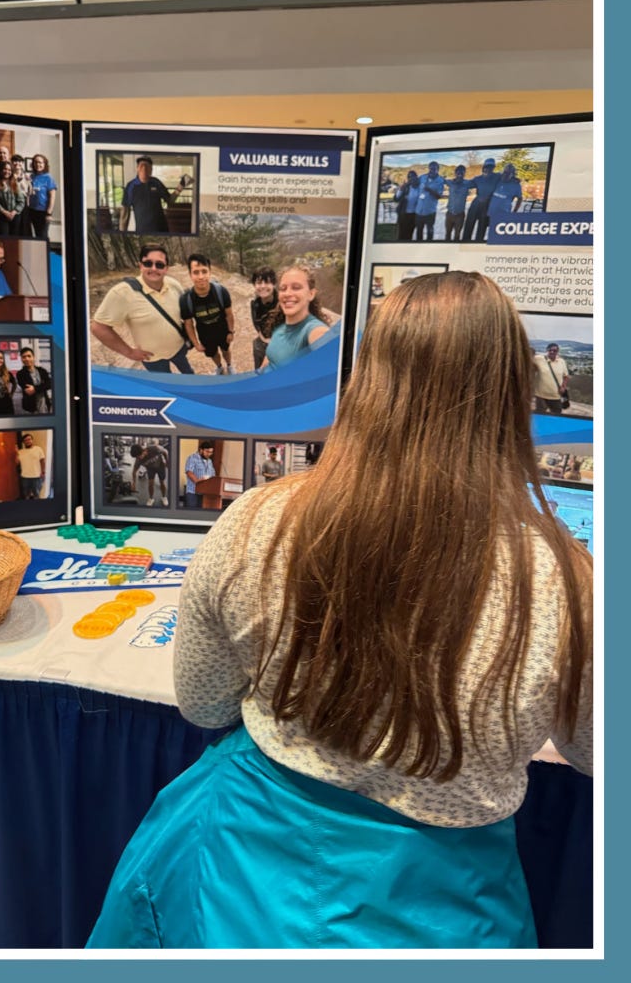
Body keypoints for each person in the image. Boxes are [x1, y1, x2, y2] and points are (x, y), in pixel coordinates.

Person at [88, 271, 592, 948]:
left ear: (368, 378)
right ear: (510, 392)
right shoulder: (566, 581)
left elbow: (204, 704)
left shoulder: (257, 521)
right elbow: (594, 752)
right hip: (445, 908)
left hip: (241, 873)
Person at [91, 245, 193, 374]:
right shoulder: (121, 293)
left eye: (159, 265)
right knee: (165, 385)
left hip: (179, 349)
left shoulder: (174, 284)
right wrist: (129, 352)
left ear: (166, 268)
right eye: (148, 263)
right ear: (140, 265)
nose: (153, 268)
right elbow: (98, 327)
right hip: (152, 358)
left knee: (188, 374)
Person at [261, 265, 330, 370]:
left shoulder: (314, 330)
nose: (287, 293)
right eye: (283, 289)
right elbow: (269, 359)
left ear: (311, 294)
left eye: (296, 287)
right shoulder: (279, 326)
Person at [179, 254, 236, 374]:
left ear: (210, 272)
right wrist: (196, 343)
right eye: (196, 272)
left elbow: (229, 314)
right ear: (190, 274)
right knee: (213, 354)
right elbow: (188, 324)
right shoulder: (186, 299)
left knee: (226, 350)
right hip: (205, 335)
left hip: (222, 330)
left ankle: (229, 365)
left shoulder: (221, 291)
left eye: (204, 271)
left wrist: (231, 331)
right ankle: (219, 367)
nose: (201, 277)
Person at [121, 156, 173, 234]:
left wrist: (181, 186)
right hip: (142, 231)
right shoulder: (131, 186)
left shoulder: (156, 182)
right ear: (137, 168)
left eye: (147, 166)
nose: (144, 168)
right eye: (141, 165)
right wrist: (122, 233)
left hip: (161, 229)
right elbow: (125, 212)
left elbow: (170, 200)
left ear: (151, 170)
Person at [248, 268, 279, 373]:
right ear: (254, 285)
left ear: (274, 284)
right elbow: (256, 324)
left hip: (281, 343)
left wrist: (273, 342)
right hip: (262, 342)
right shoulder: (255, 303)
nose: (263, 286)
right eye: (259, 283)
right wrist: (263, 338)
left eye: (267, 282)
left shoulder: (282, 302)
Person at [464, 158, 499, 242]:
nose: (489, 168)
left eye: (491, 167)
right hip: (476, 204)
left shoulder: (498, 177)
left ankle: (478, 244)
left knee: (482, 227)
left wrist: (515, 179)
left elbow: (507, 178)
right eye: (487, 166)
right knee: (469, 224)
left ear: (494, 167)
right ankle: (465, 242)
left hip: (488, 205)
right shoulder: (478, 178)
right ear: (484, 167)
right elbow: (466, 184)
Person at [532, 342, 570, 414]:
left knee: (556, 415)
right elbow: (527, 361)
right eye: (550, 350)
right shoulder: (538, 359)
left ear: (557, 351)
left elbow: (566, 376)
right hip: (540, 396)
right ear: (547, 350)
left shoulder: (561, 361)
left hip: (556, 396)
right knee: (540, 415)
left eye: (554, 350)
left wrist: (563, 387)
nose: (552, 352)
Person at [26, 153, 57, 240]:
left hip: (43, 212)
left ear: (44, 164)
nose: (38, 164)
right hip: (32, 210)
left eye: (40, 162)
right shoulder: (32, 176)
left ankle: (46, 249)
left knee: (42, 236)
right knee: (35, 235)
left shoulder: (48, 178)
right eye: (36, 162)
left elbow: (52, 196)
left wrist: (49, 213)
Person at [413, 160, 446, 241]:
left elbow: (439, 196)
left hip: (430, 212)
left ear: (438, 169)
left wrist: (429, 190)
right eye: (431, 168)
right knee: (419, 231)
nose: (432, 170)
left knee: (430, 232)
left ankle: (429, 246)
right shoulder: (422, 177)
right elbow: (415, 185)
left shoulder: (440, 181)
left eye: (434, 169)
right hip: (419, 211)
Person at [0, 160, 26, 236]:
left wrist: (13, 212)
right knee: (3, 238)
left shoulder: (15, 183)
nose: (7, 171)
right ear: (1, 170)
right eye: (5, 169)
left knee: (14, 239)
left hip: (15, 215)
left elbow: (21, 200)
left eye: (9, 170)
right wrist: (4, 211)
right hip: (1, 215)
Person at [133, 439, 169, 507]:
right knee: (150, 483)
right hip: (150, 469)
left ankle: (164, 497)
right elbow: (134, 472)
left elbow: (165, 452)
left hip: (160, 466)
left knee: (162, 482)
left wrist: (167, 462)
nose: (139, 458)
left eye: (139, 456)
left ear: (143, 451)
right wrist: (134, 483)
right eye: (137, 457)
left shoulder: (154, 448)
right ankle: (151, 498)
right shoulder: (138, 460)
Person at [16, 347, 53, 414]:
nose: (27, 359)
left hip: (44, 405)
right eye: (24, 357)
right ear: (21, 359)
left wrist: (35, 388)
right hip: (30, 408)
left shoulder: (42, 371)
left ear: (33, 357)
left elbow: (49, 384)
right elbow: (28, 391)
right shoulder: (20, 374)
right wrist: (42, 386)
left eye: (29, 356)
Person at [182, 440, 215, 509]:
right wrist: (198, 481)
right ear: (201, 450)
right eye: (207, 451)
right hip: (193, 492)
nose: (209, 454)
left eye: (211, 452)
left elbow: (213, 475)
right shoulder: (192, 458)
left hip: (205, 494)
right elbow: (189, 472)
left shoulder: (210, 461)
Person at [16, 433, 47, 500]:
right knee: (26, 494)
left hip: (36, 476)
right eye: (25, 440)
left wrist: (43, 472)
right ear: (23, 442)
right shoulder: (20, 452)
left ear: (32, 440)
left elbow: (42, 461)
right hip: (25, 477)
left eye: (29, 439)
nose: (28, 441)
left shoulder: (38, 449)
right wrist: (16, 453)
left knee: (36, 494)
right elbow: (17, 462)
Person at [444, 164, 471, 241]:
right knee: (447, 234)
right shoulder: (450, 182)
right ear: (455, 173)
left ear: (464, 173)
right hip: (449, 214)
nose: (460, 174)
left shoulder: (467, 183)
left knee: (457, 235)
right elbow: (441, 180)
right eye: (458, 172)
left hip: (460, 215)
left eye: (462, 172)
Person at [394, 170, 419, 241]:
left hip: (414, 215)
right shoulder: (405, 187)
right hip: (403, 214)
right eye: (409, 177)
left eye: (413, 176)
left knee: (409, 234)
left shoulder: (419, 189)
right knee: (401, 234)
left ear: (416, 178)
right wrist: (401, 189)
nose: (411, 178)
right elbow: (396, 199)